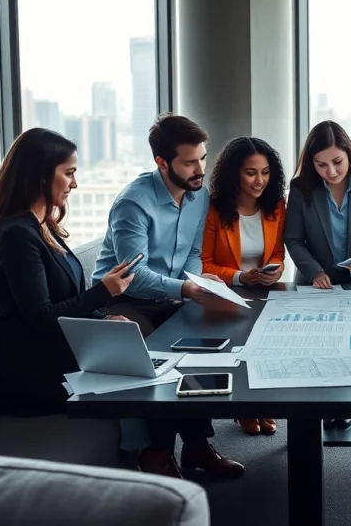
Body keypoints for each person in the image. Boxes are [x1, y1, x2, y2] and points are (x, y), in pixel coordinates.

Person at [92, 113, 245, 478]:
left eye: (203, 158)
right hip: (125, 301)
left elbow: (191, 251)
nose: (200, 169)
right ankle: (156, 453)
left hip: (172, 296)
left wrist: (198, 279)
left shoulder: (198, 196)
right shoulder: (134, 203)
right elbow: (132, 275)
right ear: (161, 162)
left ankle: (196, 446)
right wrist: (185, 288)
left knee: (209, 346)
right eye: (189, 162)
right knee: (155, 357)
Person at [0, 128, 134, 416]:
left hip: (56, 352)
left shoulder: (42, 226)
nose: (74, 184)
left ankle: (178, 452)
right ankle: (158, 455)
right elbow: (41, 318)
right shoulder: (16, 235)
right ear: (41, 175)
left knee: (151, 363)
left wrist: (104, 318)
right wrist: (103, 293)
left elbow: (65, 299)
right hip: (33, 371)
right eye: (69, 173)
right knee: (141, 378)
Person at [284, 119, 351, 431]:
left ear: (349, 154)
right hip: (317, 286)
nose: (330, 171)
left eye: (337, 162)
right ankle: (315, 410)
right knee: (317, 353)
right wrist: (315, 272)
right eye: (321, 165)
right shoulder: (301, 187)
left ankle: (345, 406)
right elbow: (293, 239)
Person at [202, 136, 286, 436]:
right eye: (251, 172)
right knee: (239, 348)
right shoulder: (214, 209)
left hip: (265, 290)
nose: (259, 180)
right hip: (228, 292)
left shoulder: (275, 206)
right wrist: (240, 277)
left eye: (265, 172)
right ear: (233, 173)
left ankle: (261, 404)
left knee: (269, 347)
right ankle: (244, 408)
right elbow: (204, 263)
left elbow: (277, 251)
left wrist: (275, 271)